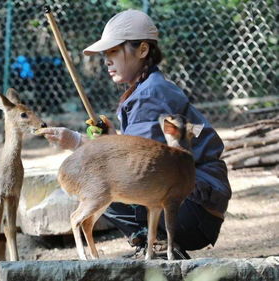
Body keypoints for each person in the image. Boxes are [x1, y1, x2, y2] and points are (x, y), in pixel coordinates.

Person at [39, 9, 231, 259]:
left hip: (193, 211)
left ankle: (160, 244)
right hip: (200, 208)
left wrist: (77, 142)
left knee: (102, 183)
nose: (107, 60)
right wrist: (110, 138)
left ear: (142, 50)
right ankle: (153, 241)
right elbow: (148, 150)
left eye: (114, 51)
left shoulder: (150, 95)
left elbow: (142, 162)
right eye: (106, 54)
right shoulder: (151, 87)